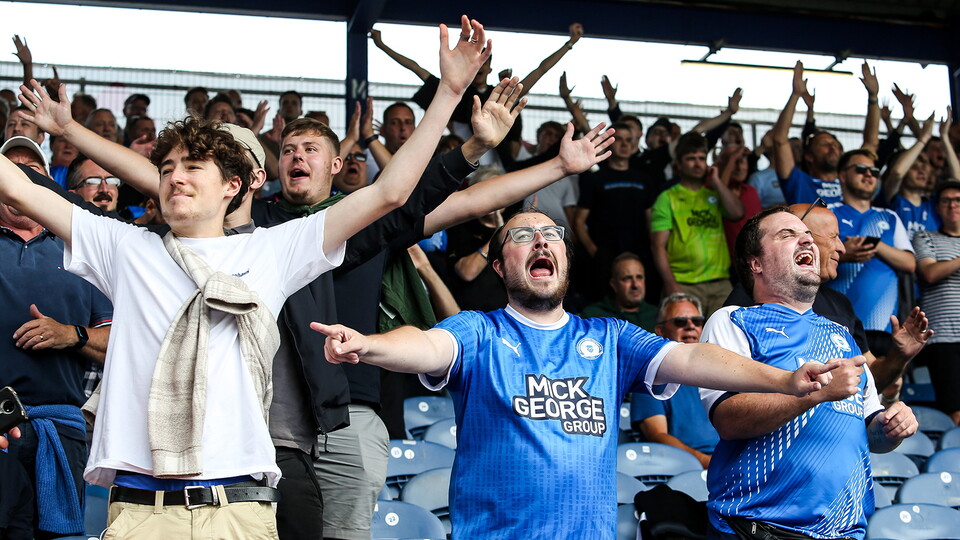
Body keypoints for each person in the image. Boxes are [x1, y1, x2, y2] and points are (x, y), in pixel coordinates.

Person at [0, 16, 494, 536]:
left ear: (233, 185)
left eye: (193, 167)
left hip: (239, 509)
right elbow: (19, 188)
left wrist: (449, 94)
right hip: (140, 512)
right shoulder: (125, 247)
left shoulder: (274, 248)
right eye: (166, 169)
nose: (175, 177)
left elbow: (389, 194)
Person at [312, 207, 837, 540]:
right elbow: (425, 345)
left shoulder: (611, 336)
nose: (541, 241)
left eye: (551, 234)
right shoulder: (481, 331)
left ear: (565, 257)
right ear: (500, 266)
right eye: (522, 235)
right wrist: (369, 345)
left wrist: (784, 381)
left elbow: (693, 358)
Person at [702, 207, 918, 540]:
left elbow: (871, 433)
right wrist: (817, 395)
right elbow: (729, 419)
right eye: (786, 234)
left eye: (806, 234)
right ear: (755, 263)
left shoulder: (842, 335)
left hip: (845, 531)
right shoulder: (732, 321)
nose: (806, 239)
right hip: (760, 527)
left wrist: (891, 428)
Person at [0, 136, 111, 539]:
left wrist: (72, 335)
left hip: (62, 431)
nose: (23, 179)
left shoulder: (84, 250)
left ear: (52, 186)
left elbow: (125, 341)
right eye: (12, 170)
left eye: (33, 171)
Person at [825, 149, 916, 362]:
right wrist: (845, 255)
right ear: (843, 176)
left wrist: (875, 244)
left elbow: (910, 263)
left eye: (874, 171)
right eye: (861, 169)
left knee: (888, 393)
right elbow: (812, 259)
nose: (869, 175)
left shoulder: (890, 217)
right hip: (835, 324)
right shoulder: (827, 213)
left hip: (884, 325)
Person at [651, 131, 744, 316]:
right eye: (691, 158)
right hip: (684, 283)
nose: (698, 163)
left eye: (702, 158)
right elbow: (657, 246)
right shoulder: (667, 198)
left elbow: (737, 212)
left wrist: (716, 181)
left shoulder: (713, 194)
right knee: (686, 341)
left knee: (723, 342)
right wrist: (670, 284)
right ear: (678, 164)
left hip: (720, 282)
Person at [630, 292, 718, 468]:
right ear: (660, 331)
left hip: (730, 464)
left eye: (697, 321)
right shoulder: (649, 380)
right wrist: (707, 462)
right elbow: (658, 436)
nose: (690, 326)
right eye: (680, 322)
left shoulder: (719, 374)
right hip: (682, 470)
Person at [913, 179, 960, 424]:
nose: (952, 205)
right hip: (943, 336)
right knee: (955, 412)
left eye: (957, 200)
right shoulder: (925, 236)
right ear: (937, 208)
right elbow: (929, 273)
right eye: (946, 200)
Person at [581, 252, 657, 331]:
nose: (635, 285)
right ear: (614, 284)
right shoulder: (594, 316)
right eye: (627, 278)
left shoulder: (657, 316)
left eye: (639, 277)